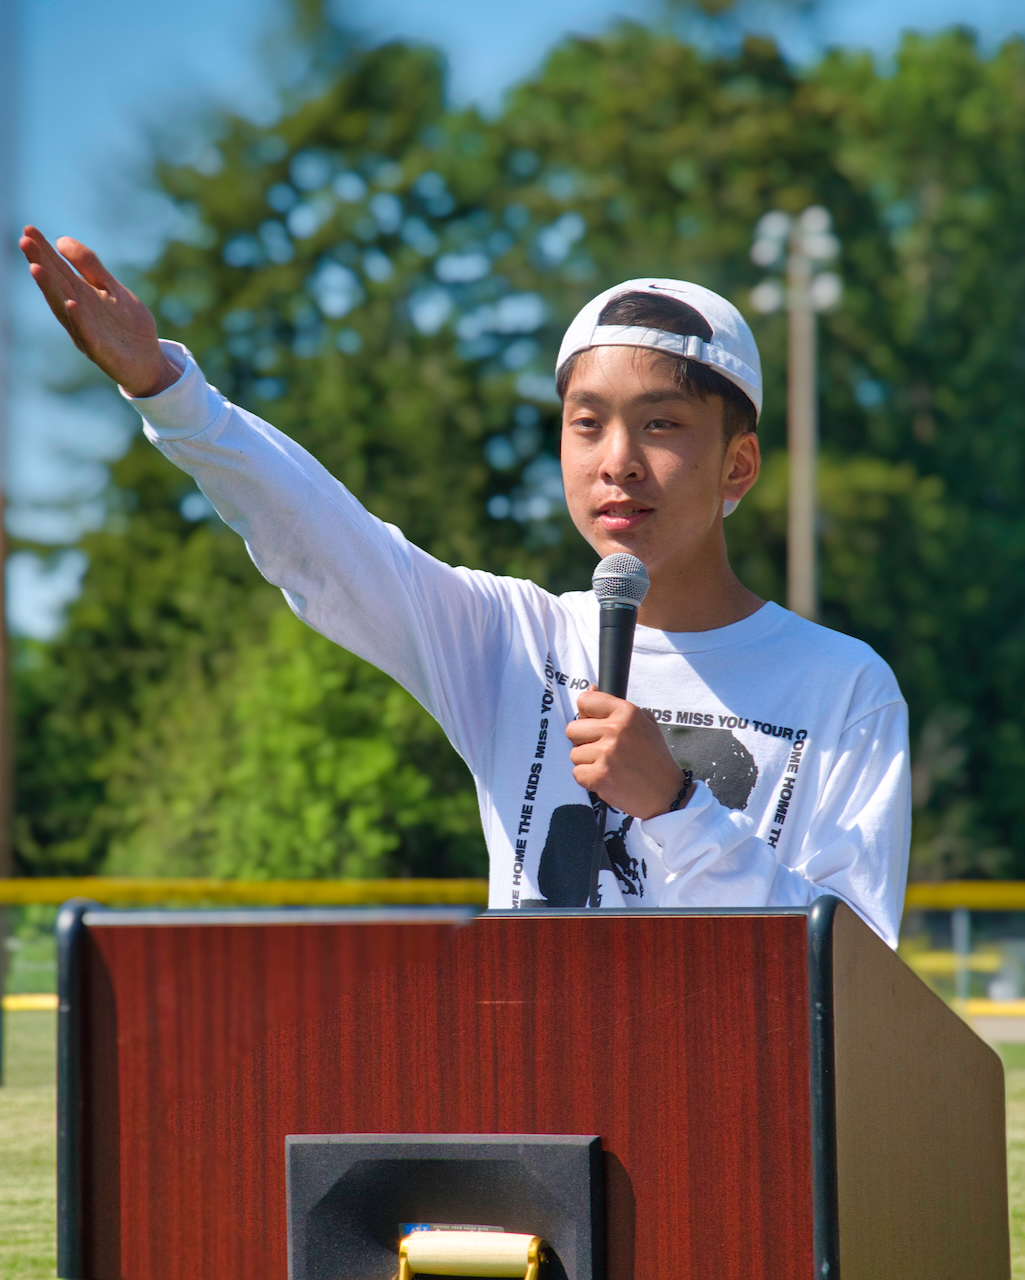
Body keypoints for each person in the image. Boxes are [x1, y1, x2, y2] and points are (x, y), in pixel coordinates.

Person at [20, 226, 910, 943]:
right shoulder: (511, 641)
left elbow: (858, 977)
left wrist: (676, 807)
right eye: (586, 425)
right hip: (540, 1134)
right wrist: (171, 395)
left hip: (739, 1126)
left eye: (663, 424)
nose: (617, 463)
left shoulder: (842, 687)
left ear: (737, 466)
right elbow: (328, 544)